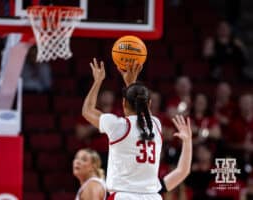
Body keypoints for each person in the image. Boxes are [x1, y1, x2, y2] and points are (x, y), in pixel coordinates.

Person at [82, 58, 192, 199]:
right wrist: (131, 83)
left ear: (123, 103)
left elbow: (88, 111)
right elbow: (142, 109)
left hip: (124, 195)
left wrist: (97, 81)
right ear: (150, 103)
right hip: (152, 196)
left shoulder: (119, 126)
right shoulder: (156, 125)